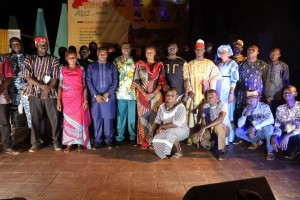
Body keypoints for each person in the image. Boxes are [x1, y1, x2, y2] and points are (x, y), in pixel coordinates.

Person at [22, 36, 61, 152]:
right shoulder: (29, 59)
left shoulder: (54, 59)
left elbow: (55, 77)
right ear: (36, 45)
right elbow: (27, 76)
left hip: (50, 92)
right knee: (35, 119)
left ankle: (56, 141)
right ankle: (35, 143)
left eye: (45, 44)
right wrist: (41, 86)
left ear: (47, 46)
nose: (43, 45)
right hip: (34, 93)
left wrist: (47, 89)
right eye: (40, 43)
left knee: (54, 119)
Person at [131, 45, 166, 149]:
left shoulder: (160, 65)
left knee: (154, 120)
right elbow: (136, 80)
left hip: (155, 97)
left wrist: (152, 94)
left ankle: (153, 141)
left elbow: (161, 82)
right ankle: (143, 142)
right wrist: (145, 93)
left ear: (155, 52)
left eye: (151, 52)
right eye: (147, 52)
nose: (149, 54)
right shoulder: (139, 65)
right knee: (143, 119)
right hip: (142, 96)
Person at [57, 50, 91, 152]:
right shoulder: (62, 69)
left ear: (77, 58)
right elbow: (59, 85)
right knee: (67, 121)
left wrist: (85, 101)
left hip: (78, 98)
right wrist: (58, 100)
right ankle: (69, 144)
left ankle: (80, 142)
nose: (72, 59)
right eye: (70, 57)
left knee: (79, 120)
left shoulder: (81, 69)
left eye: (74, 57)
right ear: (66, 59)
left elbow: (85, 86)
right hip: (67, 99)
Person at [185, 39, 222, 129]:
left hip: (205, 93)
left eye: (201, 49)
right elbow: (186, 78)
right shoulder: (189, 64)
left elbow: (216, 76)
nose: (199, 51)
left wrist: (209, 88)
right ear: (194, 51)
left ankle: (205, 130)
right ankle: (192, 132)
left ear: (204, 50)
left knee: (205, 112)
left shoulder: (209, 63)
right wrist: (189, 90)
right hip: (194, 92)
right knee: (192, 112)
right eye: (197, 49)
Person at [86, 47, 118, 149]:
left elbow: (115, 81)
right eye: (101, 53)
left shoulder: (112, 66)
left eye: (104, 53)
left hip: (109, 97)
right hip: (96, 98)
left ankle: (109, 140)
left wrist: (107, 93)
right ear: (97, 53)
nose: (103, 55)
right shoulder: (91, 66)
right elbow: (88, 81)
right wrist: (96, 95)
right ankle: (97, 141)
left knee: (108, 120)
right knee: (97, 119)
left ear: (107, 55)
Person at [235, 45, 270, 129]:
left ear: (258, 52)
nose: (250, 51)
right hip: (241, 96)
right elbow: (236, 80)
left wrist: (268, 96)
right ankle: (240, 135)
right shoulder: (240, 65)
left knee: (254, 115)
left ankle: (254, 135)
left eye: (253, 50)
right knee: (242, 114)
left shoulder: (263, 65)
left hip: (256, 97)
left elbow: (266, 81)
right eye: (249, 49)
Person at [235, 90, 275, 160]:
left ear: (257, 99)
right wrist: (246, 114)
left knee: (268, 128)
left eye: (253, 99)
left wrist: (255, 128)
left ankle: (270, 151)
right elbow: (239, 125)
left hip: (265, 131)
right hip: (257, 132)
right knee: (238, 131)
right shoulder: (246, 108)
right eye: (249, 99)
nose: (251, 101)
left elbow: (271, 120)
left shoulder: (264, 106)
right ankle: (256, 142)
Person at [5, 37, 31, 143]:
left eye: (17, 43)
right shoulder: (6, 57)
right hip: (12, 91)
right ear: (10, 45)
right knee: (13, 115)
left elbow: (32, 73)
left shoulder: (28, 57)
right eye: (13, 43)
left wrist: (29, 86)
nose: (15, 45)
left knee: (30, 114)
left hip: (26, 90)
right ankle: (12, 140)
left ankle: (32, 138)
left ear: (21, 44)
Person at [151, 88, 189, 159]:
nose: (170, 97)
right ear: (166, 96)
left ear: (177, 96)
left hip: (182, 130)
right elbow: (157, 121)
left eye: (172, 95)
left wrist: (161, 127)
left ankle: (179, 151)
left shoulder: (180, 107)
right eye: (168, 95)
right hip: (166, 130)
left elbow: (175, 124)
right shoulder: (162, 106)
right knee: (157, 137)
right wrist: (151, 133)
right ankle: (169, 148)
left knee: (170, 132)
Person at [196, 89, 231, 161]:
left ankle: (224, 151)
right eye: (207, 97)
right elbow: (203, 122)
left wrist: (205, 128)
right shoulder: (206, 106)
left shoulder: (222, 104)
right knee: (195, 138)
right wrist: (201, 133)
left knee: (218, 126)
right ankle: (210, 144)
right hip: (211, 130)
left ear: (216, 97)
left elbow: (221, 118)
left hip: (224, 129)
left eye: (211, 97)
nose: (208, 99)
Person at [215, 45, 239, 143]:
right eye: (220, 52)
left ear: (228, 52)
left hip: (227, 89)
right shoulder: (218, 63)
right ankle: (219, 136)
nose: (222, 53)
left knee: (227, 112)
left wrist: (231, 93)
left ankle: (228, 138)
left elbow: (234, 79)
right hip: (218, 88)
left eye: (224, 52)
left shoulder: (232, 63)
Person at [114, 42, 136, 146]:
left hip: (133, 94)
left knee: (132, 117)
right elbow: (113, 75)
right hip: (120, 93)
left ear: (130, 49)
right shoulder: (116, 60)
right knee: (120, 116)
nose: (126, 49)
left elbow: (140, 76)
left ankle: (132, 137)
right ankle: (120, 137)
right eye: (123, 48)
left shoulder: (136, 61)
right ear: (121, 49)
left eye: (128, 47)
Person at [271, 85, 300, 160]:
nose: (286, 94)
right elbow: (278, 126)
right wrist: (274, 136)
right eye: (285, 92)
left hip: (296, 134)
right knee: (275, 141)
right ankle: (291, 149)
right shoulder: (280, 108)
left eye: (289, 92)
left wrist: (288, 135)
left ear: (295, 94)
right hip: (286, 133)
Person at [0, 53, 19, 155]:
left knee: (4, 121)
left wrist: (1, 88)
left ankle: (7, 147)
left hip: (1, 95)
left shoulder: (3, 58)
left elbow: (9, 76)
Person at [267, 48, 290, 116]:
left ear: (279, 55)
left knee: (277, 112)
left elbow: (286, 80)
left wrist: (285, 95)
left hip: (278, 94)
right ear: (269, 54)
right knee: (268, 112)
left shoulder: (284, 66)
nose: (274, 55)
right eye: (272, 54)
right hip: (267, 94)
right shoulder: (265, 65)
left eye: (276, 54)